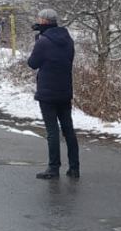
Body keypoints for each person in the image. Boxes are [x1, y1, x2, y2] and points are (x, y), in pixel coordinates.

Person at [26, 9, 80, 180]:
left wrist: (38, 40)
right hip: (65, 90)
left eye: (39, 19)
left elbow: (32, 63)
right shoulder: (68, 40)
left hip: (48, 92)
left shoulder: (43, 42)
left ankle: (53, 168)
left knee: (52, 131)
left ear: (44, 21)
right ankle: (74, 168)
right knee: (68, 129)